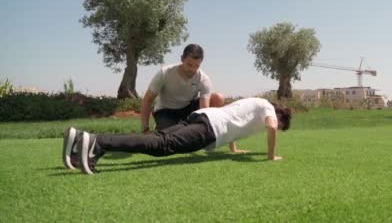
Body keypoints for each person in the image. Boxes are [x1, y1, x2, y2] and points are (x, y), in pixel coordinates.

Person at [62, 98, 292, 174]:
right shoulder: (269, 109)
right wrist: (271, 157)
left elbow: (234, 120)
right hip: (209, 128)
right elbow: (271, 127)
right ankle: (98, 142)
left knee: (159, 137)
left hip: (201, 116)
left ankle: (80, 141)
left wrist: (233, 149)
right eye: (282, 126)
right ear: (281, 117)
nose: (274, 128)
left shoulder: (254, 103)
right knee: (162, 144)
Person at [140, 43, 225, 133]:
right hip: (165, 111)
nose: (192, 69)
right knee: (169, 138)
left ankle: (199, 132)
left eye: (196, 66)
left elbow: (204, 110)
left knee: (218, 98)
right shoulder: (165, 73)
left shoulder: (203, 79)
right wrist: (145, 129)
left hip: (187, 109)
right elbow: (148, 99)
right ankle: (162, 127)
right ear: (182, 59)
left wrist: (203, 130)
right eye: (189, 65)